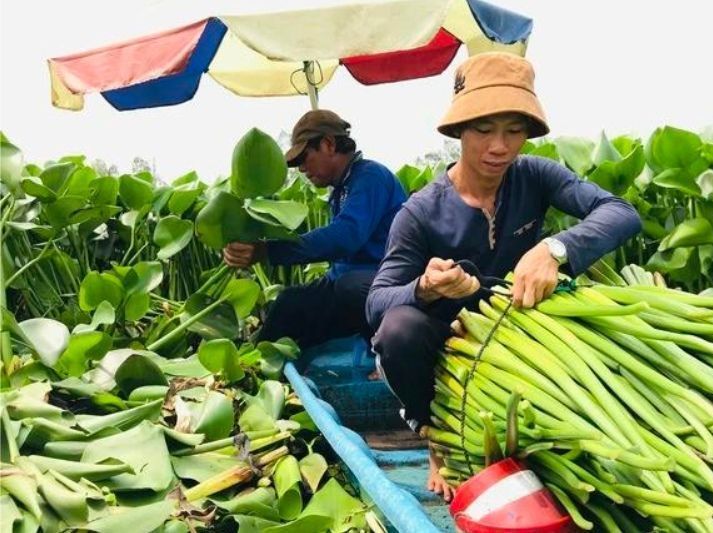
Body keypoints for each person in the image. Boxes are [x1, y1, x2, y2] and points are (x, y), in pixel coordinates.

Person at [365, 52, 642, 501]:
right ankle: (435, 433)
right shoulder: (420, 212)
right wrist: (426, 288)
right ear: (459, 130)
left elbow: (620, 213)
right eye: (483, 130)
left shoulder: (534, 176)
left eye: (514, 131)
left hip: (521, 326)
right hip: (450, 341)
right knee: (398, 329)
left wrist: (555, 249)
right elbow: (376, 302)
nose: (500, 147)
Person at [224, 109, 407, 352]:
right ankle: (252, 365)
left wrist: (269, 251)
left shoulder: (370, 177)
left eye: (304, 158)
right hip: (342, 282)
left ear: (329, 144)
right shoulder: (342, 188)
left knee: (349, 287)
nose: (301, 169)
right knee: (288, 303)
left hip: (383, 283)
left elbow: (345, 237)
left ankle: (382, 352)